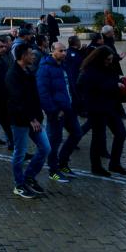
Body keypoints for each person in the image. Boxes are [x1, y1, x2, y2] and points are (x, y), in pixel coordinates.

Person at [6, 43, 50, 199]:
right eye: (31, 54)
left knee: (45, 148)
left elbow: (33, 96)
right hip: (20, 120)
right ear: (23, 56)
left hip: (34, 118)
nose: (33, 56)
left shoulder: (29, 71)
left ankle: (29, 177)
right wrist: (31, 118)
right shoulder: (13, 74)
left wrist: (38, 115)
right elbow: (18, 100)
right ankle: (19, 184)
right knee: (20, 152)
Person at [77, 47, 126, 177]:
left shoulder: (109, 67)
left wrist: (119, 84)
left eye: (111, 59)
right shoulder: (89, 71)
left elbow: (111, 80)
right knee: (98, 138)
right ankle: (96, 166)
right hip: (96, 108)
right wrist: (114, 85)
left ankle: (114, 164)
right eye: (108, 59)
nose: (110, 62)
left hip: (110, 106)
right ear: (101, 58)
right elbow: (93, 86)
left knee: (121, 133)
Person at [37, 42, 82, 183]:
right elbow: (43, 93)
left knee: (77, 133)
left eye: (65, 50)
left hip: (68, 108)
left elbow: (69, 86)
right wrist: (53, 110)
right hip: (56, 111)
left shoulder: (63, 65)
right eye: (61, 51)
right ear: (52, 51)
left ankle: (63, 163)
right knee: (54, 140)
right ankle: (53, 170)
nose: (64, 53)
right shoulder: (45, 69)